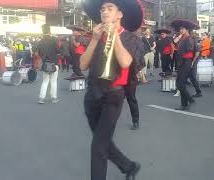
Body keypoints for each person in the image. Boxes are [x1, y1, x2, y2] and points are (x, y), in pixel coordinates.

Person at [80, 0, 145, 179]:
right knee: (103, 142)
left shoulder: (131, 38)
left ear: (119, 14)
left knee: (98, 147)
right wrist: (94, 39)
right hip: (92, 94)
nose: (105, 12)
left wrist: (114, 36)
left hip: (113, 96)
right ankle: (129, 166)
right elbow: (83, 64)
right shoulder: (96, 35)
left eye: (110, 8)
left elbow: (125, 62)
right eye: (102, 9)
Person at [171, 20, 198, 110]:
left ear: (187, 30)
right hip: (181, 62)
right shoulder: (182, 38)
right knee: (180, 83)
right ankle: (184, 104)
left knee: (180, 84)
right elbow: (174, 42)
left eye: (182, 29)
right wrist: (179, 37)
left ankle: (190, 100)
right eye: (180, 29)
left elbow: (189, 50)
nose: (181, 30)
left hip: (186, 62)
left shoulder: (190, 39)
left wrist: (180, 44)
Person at [37, 24, 60, 104]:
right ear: (50, 31)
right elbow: (58, 51)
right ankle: (54, 98)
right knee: (53, 81)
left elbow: (39, 53)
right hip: (54, 63)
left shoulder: (40, 41)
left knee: (45, 81)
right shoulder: (54, 40)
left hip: (45, 64)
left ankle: (41, 98)